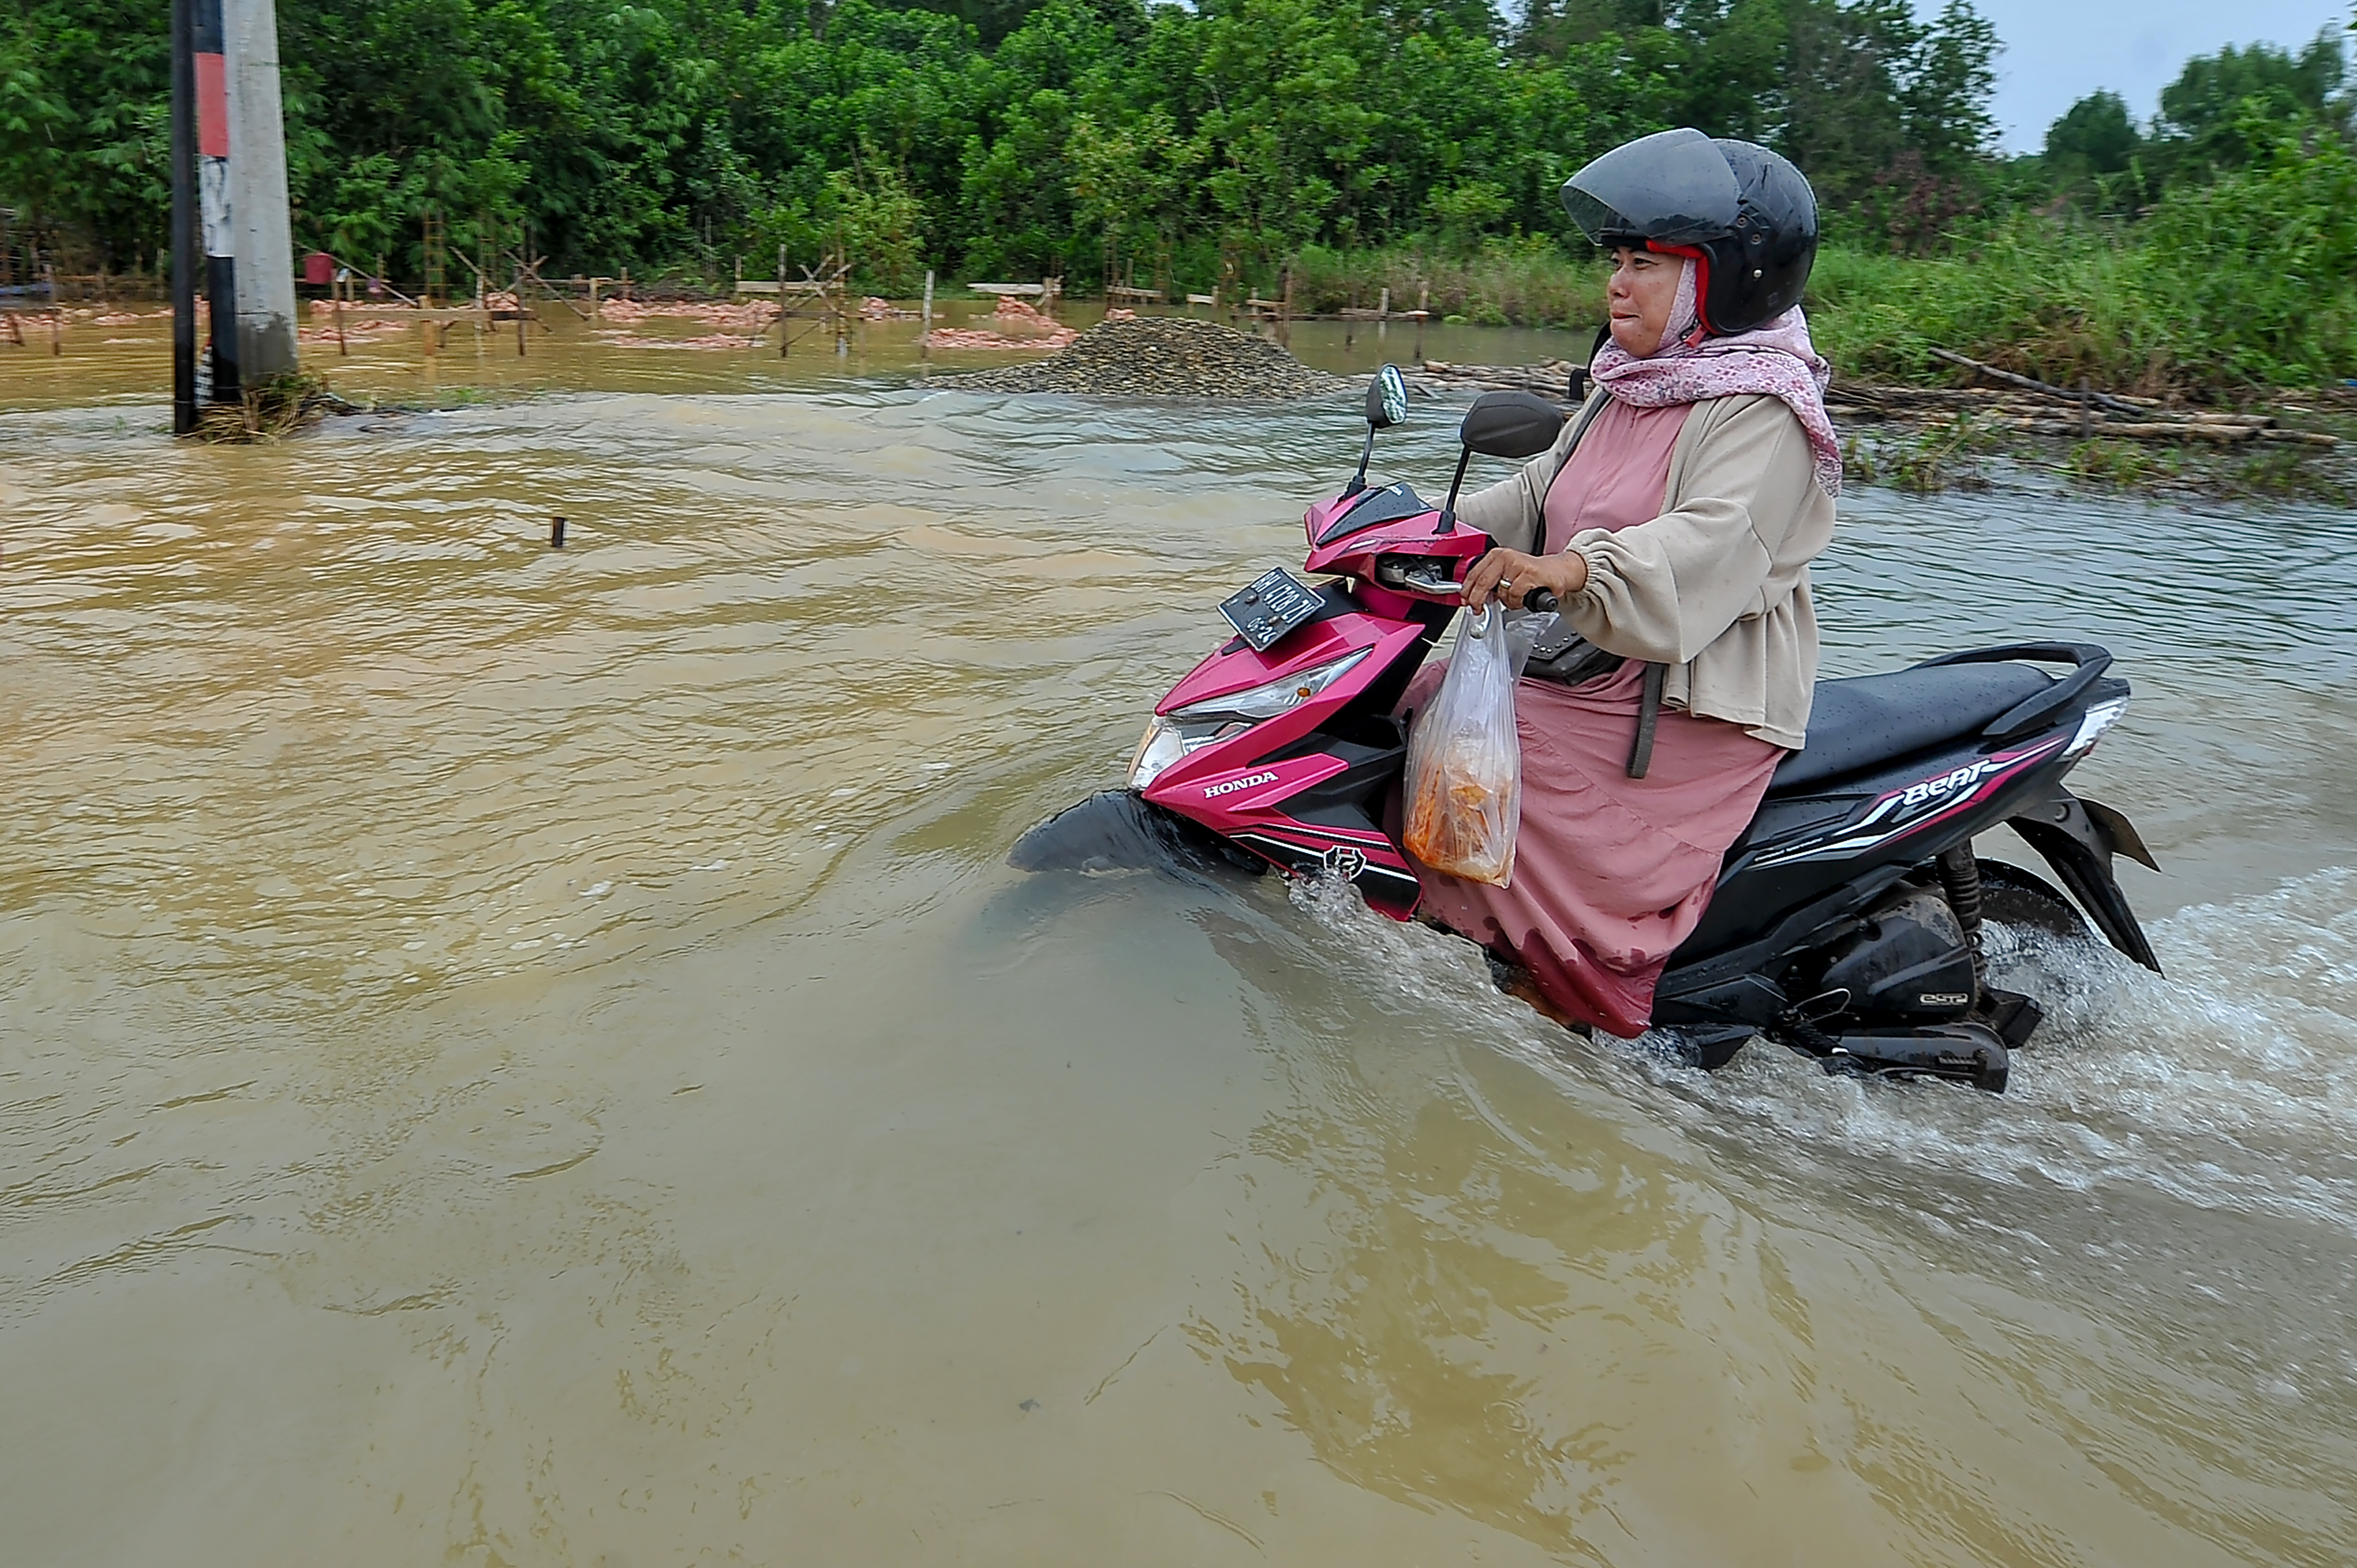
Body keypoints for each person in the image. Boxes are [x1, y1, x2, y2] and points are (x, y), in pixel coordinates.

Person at [1401, 128, 1842, 1038]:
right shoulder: (1628, 381)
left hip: (1687, 704)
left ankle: (1570, 1002)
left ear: (1721, 280)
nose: (1617, 282)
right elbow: (1539, 492)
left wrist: (1569, 569)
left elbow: (1703, 548)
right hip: (1586, 661)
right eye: (1617, 259)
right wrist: (1410, 530)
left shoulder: (1765, 409)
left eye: (1648, 263)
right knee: (1414, 697)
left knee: (1475, 758)